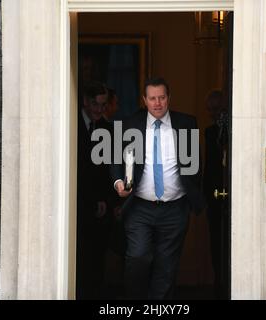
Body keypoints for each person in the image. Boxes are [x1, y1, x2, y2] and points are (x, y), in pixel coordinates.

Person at [111, 77, 204, 300]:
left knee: (166, 267)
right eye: (152, 98)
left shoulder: (186, 122)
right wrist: (118, 183)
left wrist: (193, 193)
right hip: (140, 208)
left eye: (162, 97)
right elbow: (116, 158)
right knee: (138, 258)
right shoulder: (129, 124)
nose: (157, 103)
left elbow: (195, 164)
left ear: (168, 98)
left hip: (175, 208)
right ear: (145, 100)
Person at [76, 81, 115, 299]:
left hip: (100, 205)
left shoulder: (107, 129)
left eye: (103, 104)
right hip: (76, 202)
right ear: (85, 102)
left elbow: (107, 169)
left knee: (97, 258)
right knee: (78, 258)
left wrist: (106, 200)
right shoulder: (70, 124)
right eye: (95, 104)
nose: (99, 109)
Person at [203, 90, 229, 300]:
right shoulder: (209, 132)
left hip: (233, 192)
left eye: (217, 110)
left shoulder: (233, 131)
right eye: (210, 110)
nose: (213, 114)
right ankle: (218, 282)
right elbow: (208, 166)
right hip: (213, 192)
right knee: (215, 240)